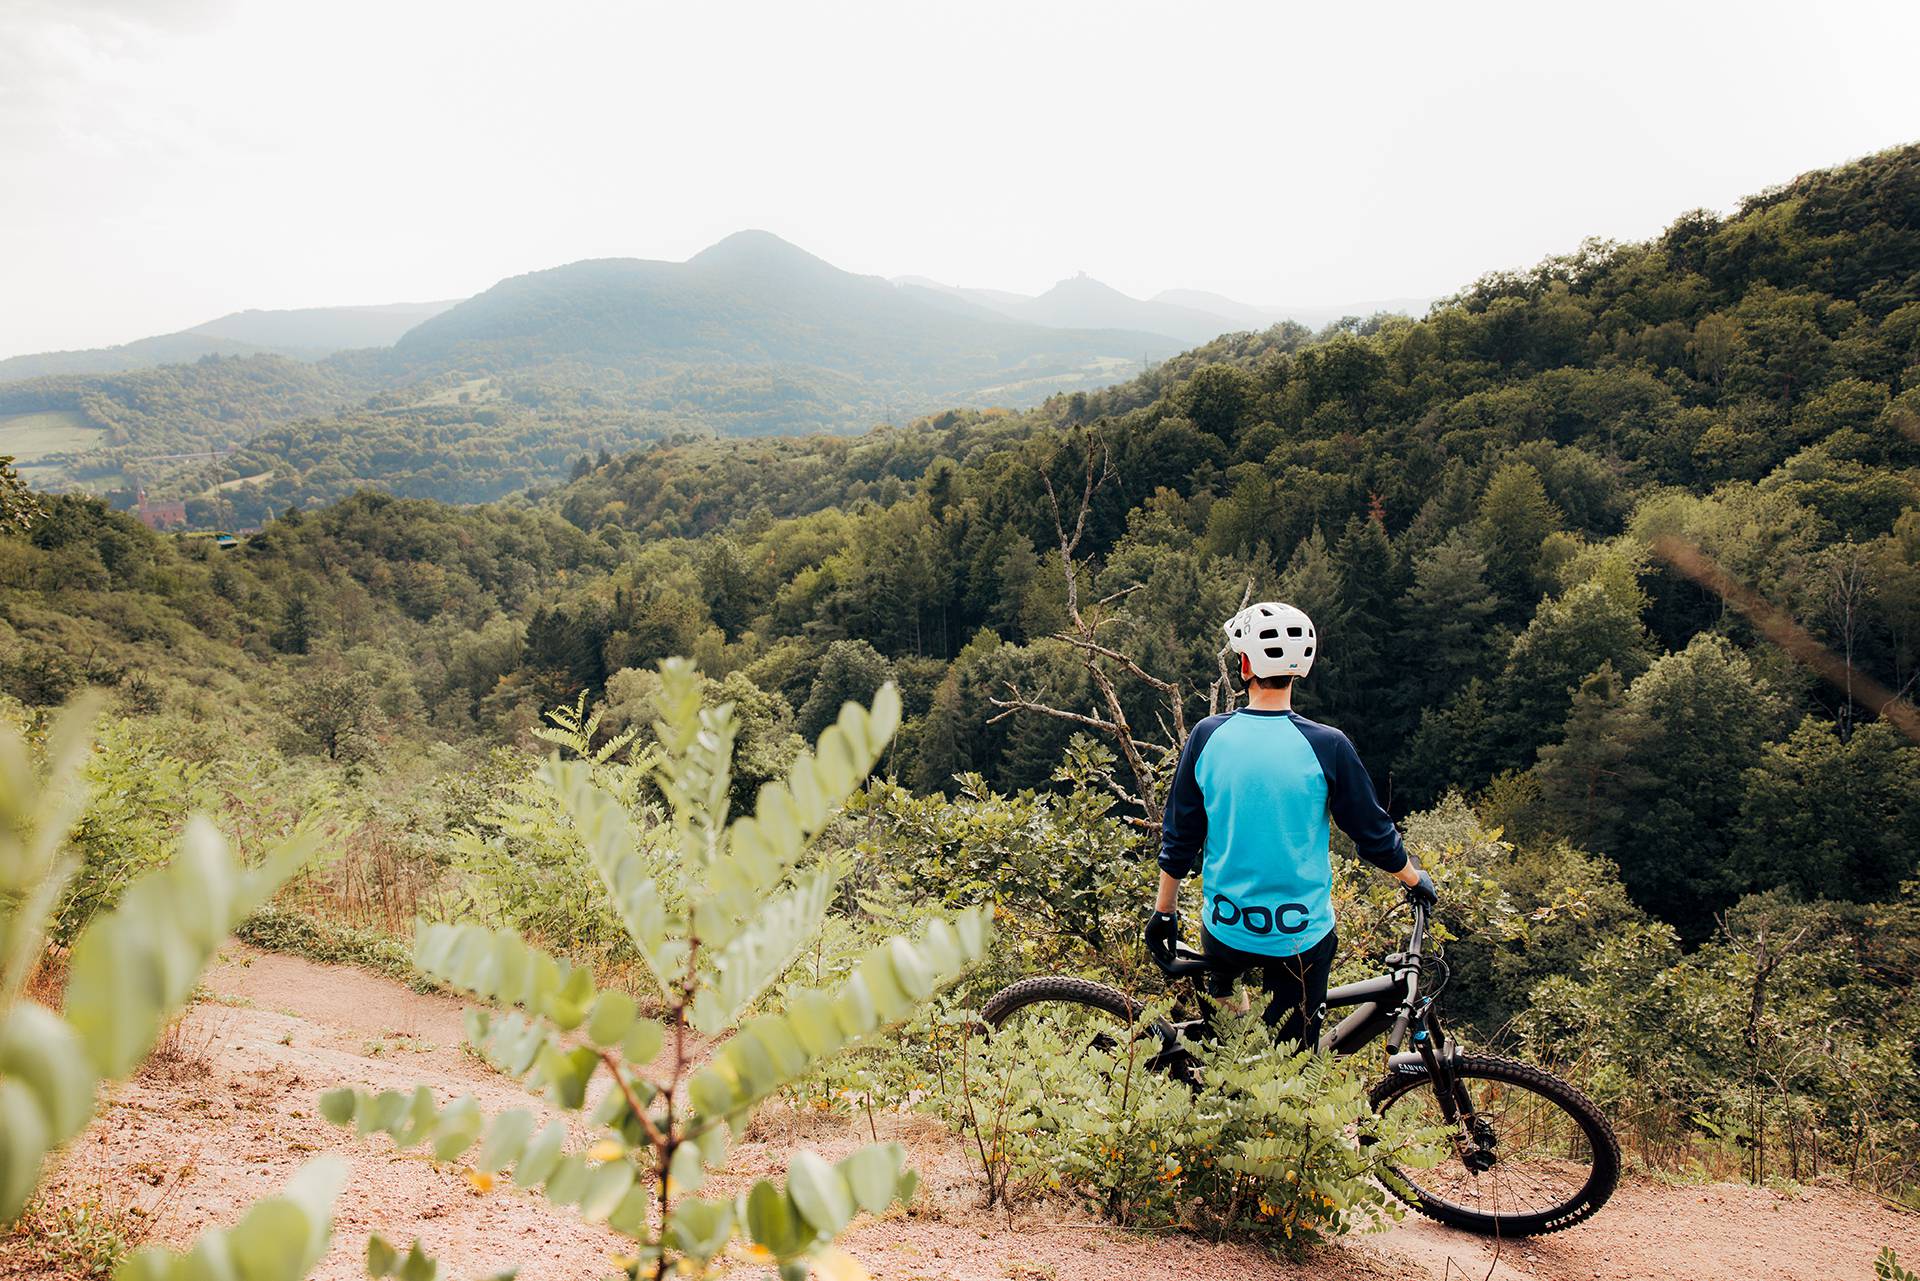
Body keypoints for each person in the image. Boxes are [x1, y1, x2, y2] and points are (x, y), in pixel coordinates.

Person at [1147, 601, 1436, 1049]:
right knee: (1294, 1060)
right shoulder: (1328, 746)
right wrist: (1414, 880)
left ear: (1244, 666)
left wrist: (1164, 912)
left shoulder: (1208, 735)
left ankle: (1228, 1058)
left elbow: (1180, 837)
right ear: (1301, 669)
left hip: (1225, 928)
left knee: (1229, 1027)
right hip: (1300, 938)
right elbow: (1374, 837)